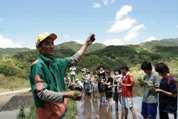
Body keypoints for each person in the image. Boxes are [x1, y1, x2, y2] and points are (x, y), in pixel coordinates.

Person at [28, 32, 95, 119]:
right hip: (47, 116)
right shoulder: (37, 65)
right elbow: (42, 93)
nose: (52, 46)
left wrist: (86, 44)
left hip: (60, 113)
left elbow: (73, 60)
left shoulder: (56, 63)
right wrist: (67, 94)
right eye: (47, 43)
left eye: (52, 43)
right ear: (39, 47)